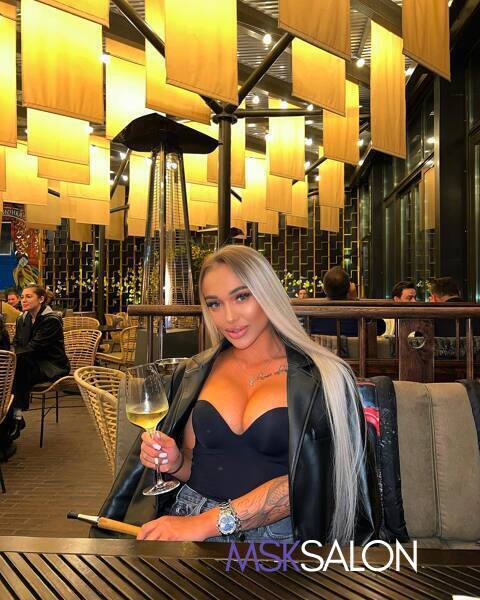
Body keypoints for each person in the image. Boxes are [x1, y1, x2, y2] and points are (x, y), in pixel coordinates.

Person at [99, 246, 379, 544]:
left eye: (241, 297)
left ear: (268, 294)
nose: (229, 317)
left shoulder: (326, 377)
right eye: (215, 304)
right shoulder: (195, 371)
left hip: (277, 539)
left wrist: (211, 522)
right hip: (188, 521)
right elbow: (197, 465)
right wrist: (176, 462)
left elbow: (322, 481)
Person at [9, 285, 70, 439]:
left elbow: (32, 347)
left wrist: (11, 357)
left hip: (52, 365)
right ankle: (9, 416)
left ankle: (16, 417)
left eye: (28, 296)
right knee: (9, 368)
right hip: (30, 362)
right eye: (22, 297)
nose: (23, 300)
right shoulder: (22, 319)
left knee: (17, 367)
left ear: (41, 299)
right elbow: (16, 343)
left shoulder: (51, 320)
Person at [310, 267, 385, 336]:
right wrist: (355, 301)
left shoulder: (312, 318)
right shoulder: (363, 318)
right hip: (356, 347)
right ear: (350, 289)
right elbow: (381, 328)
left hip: (319, 347)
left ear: (324, 289)